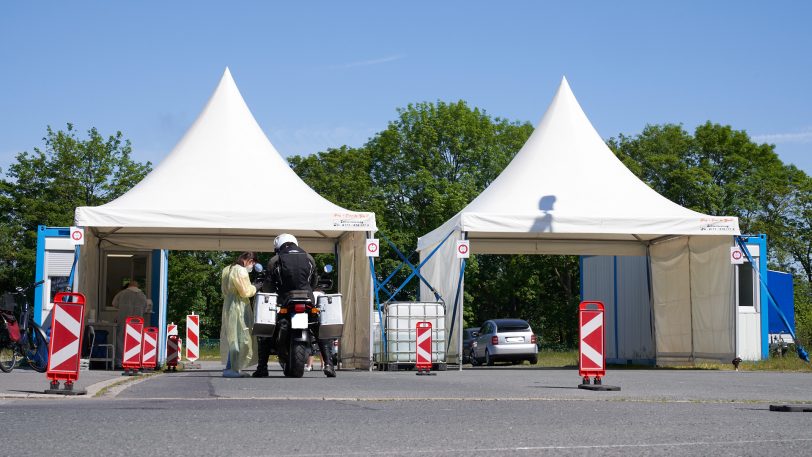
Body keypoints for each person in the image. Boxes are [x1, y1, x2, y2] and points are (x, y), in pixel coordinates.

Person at [253, 233, 336, 378]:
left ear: (278, 246)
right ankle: (329, 364)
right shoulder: (309, 258)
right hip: (307, 300)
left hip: (285, 300)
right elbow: (313, 282)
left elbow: (269, 285)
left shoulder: (275, 260)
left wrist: (267, 289)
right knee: (319, 327)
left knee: (266, 329)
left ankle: (262, 367)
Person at [220, 252, 259, 378]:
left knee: (232, 338)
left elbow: (224, 290)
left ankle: (230, 367)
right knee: (240, 338)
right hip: (239, 308)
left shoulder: (227, 269)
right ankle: (233, 369)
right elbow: (245, 291)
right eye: (253, 263)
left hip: (228, 305)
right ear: (249, 260)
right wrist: (256, 287)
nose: (252, 266)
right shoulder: (241, 271)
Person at [113, 280, 148, 366]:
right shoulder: (143, 296)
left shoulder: (122, 293)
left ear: (129, 286)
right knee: (136, 340)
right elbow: (145, 308)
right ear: (137, 286)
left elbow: (114, 303)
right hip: (137, 322)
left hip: (123, 319)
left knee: (121, 339)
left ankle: (120, 361)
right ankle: (134, 361)